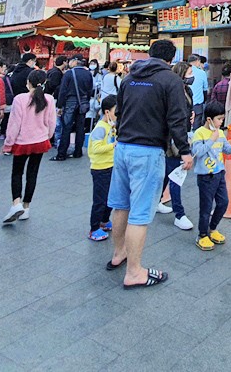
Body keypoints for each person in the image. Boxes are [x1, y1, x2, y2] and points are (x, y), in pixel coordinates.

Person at [108, 39, 193, 288]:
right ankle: (134, 272)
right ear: (171, 58)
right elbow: (177, 119)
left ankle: (118, 254)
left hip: (122, 148)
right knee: (141, 213)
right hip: (148, 151)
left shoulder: (129, 78)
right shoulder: (171, 80)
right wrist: (185, 151)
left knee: (121, 206)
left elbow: (119, 112)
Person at [2, 69, 56, 224]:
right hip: (40, 141)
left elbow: (14, 124)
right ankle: (26, 207)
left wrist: (8, 144)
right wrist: (48, 137)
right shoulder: (49, 99)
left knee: (17, 172)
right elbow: (52, 122)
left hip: (22, 142)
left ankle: (16, 203)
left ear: (28, 83)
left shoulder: (20, 99)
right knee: (33, 173)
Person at [192, 100, 231, 251]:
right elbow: (197, 152)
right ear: (209, 119)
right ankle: (202, 234)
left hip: (219, 173)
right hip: (205, 176)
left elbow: (227, 150)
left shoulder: (221, 133)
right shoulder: (199, 133)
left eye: (222, 118)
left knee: (223, 202)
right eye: (219, 119)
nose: (221, 122)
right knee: (206, 207)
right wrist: (212, 139)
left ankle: (213, 228)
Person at [156, 62, 194, 230]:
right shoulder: (173, 90)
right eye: (190, 72)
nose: (193, 75)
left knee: (168, 173)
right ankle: (179, 214)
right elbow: (173, 117)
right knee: (176, 175)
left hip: (181, 135)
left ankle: (156, 201)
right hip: (174, 139)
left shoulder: (187, 90)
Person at [87, 96, 117, 241]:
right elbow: (95, 148)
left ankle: (104, 221)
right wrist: (113, 145)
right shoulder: (100, 128)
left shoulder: (110, 126)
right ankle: (94, 228)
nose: (117, 115)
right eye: (115, 112)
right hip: (100, 168)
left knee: (109, 197)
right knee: (100, 199)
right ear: (107, 112)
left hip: (110, 166)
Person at [54, 54, 93, 160]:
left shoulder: (69, 73)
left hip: (70, 102)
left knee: (66, 127)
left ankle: (61, 153)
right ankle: (78, 152)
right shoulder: (88, 74)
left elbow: (63, 91)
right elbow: (90, 90)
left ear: (75, 62)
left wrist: (60, 106)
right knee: (80, 128)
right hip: (83, 102)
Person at [188, 54, 209, 129]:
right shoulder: (202, 73)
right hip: (197, 104)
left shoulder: (184, 70)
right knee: (196, 127)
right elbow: (205, 89)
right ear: (198, 61)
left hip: (185, 103)